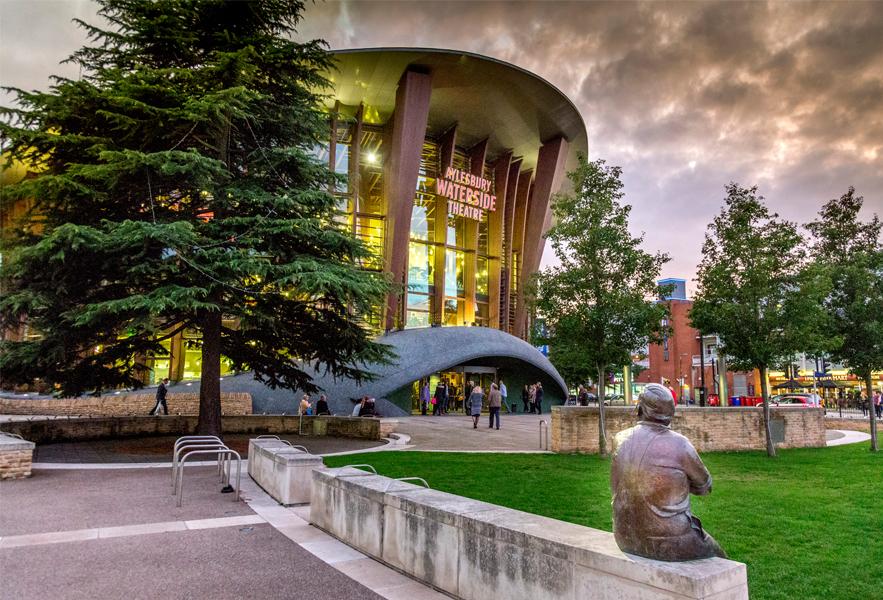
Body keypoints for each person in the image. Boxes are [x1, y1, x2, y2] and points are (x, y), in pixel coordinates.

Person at [611, 383, 726, 561]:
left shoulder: (620, 439)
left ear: (639, 408)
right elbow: (705, 487)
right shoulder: (680, 445)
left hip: (624, 536)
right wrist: (680, 482)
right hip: (670, 542)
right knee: (721, 558)